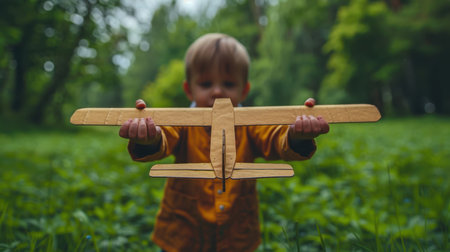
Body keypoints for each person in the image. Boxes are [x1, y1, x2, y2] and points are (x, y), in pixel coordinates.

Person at [119, 33, 329, 252]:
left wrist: (296, 135)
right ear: (189, 90)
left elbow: (275, 138)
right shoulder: (180, 123)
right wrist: (149, 137)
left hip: (236, 236)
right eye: (206, 83)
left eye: (228, 84)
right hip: (182, 236)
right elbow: (164, 138)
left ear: (244, 90)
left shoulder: (251, 125)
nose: (217, 91)